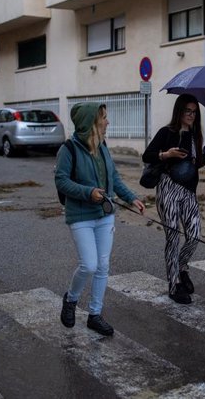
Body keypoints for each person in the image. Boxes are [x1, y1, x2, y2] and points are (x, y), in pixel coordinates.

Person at [55, 102, 145, 335]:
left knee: (103, 266)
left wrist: (130, 197)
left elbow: (113, 176)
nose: (108, 122)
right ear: (90, 123)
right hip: (81, 216)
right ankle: (71, 299)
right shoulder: (69, 149)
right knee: (89, 264)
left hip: (105, 215)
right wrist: (88, 192)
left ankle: (95, 314)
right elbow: (61, 181)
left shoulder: (102, 146)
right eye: (103, 118)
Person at [142, 94, 205, 304]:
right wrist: (167, 154)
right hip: (168, 188)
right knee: (174, 237)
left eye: (194, 112)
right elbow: (146, 155)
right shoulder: (167, 132)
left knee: (194, 235)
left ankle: (182, 266)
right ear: (179, 112)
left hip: (188, 192)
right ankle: (174, 283)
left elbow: (195, 164)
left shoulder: (195, 136)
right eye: (188, 111)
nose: (191, 115)